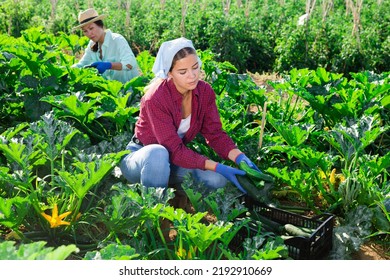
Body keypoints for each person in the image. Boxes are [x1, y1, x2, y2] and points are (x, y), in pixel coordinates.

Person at [120, 37, 261, 194]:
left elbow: (215, 134)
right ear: (170, 73)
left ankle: (181, 202)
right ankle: (153, 213)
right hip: (141, 159)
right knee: (158, 153)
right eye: (183, 72)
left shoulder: (204, 91)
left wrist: (240, 158)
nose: (192, 75)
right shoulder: (156, 98)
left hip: (173, 161)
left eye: (195, 68)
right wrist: (217, 166)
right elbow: (172, 149)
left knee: (217, 180)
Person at [72, 8, 140, 83]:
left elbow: (130, 64)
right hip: (110, 92)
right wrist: (66, 71)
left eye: (91, 28)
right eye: (85, 31)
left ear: (101, 25)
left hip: (130, 91)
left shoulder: (117, 40)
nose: (89, 33)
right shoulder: (92, 44)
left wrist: (109, 65)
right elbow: (81, 64)